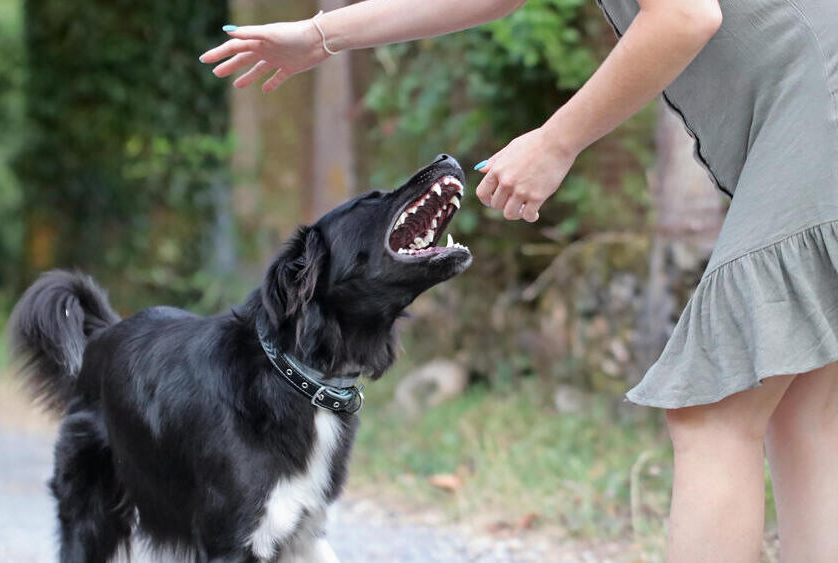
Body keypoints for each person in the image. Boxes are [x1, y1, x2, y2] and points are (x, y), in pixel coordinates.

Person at [200, 1, 838, 560]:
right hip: (810, 112)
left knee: (712, 414)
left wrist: (557, 142)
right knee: (804, 416)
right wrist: (320, 35)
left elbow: (684, 15)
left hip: (816, 113)